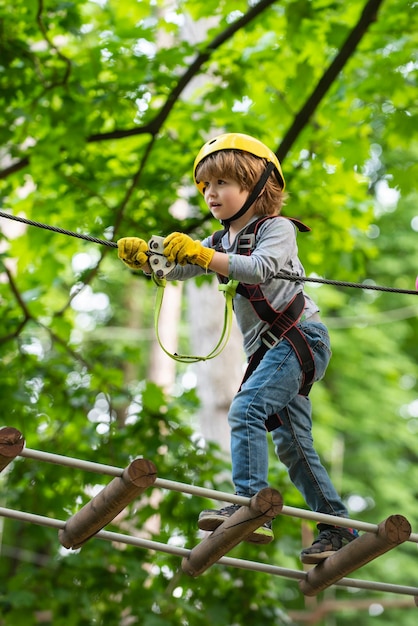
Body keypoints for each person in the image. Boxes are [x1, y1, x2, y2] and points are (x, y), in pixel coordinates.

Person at [117, 133, 358, 563]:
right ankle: (337, 528)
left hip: (301, 337)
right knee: (293, 444)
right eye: (206, 186)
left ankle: (251, 505)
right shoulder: (219, 241)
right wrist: (149, 260)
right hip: (272, 352)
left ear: (258, 188)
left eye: (223, 183)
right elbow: (180, 270)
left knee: (245, 408)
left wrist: (202, 255)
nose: (212, 193)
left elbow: (258, 269)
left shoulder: (278, 230)